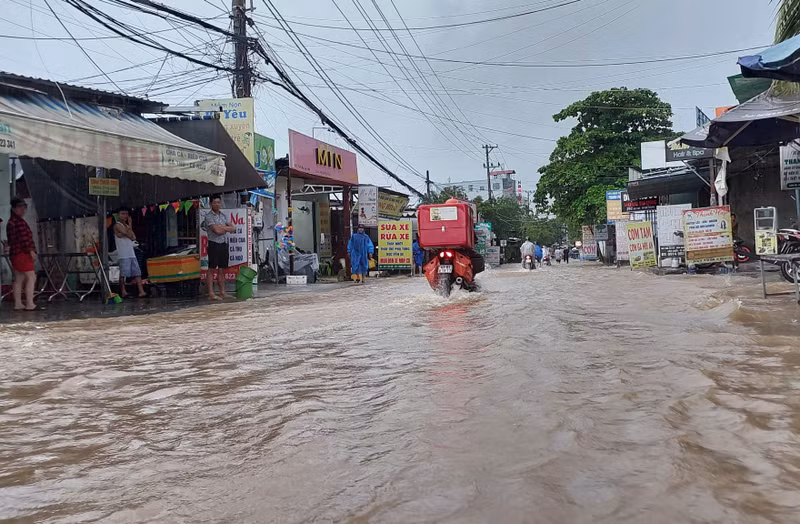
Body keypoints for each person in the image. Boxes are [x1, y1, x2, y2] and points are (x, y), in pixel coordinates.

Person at [201, 196, 235, 300]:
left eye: (219, 202)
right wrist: (225, 228)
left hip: (223, 243)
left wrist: (222, 227)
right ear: (211, 204)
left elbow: (233, 228)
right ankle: (211, 293)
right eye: (215, 203)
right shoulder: (209, 217)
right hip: (214, 244)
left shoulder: (224, 215)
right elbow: (217, 231)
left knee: (222, 269)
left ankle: (222, 292)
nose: (217, 204)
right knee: (211, 269)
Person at [7, 197, 37, 311]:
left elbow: (11, 240)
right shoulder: (19, 222)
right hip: (22, 253)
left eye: (24, 208)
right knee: (31, 277)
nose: (23, 210)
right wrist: (31, 251)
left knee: (19, 278)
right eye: (20, 208)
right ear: (14, 209)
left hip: (14, 253)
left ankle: (18, 303)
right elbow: (24, 239)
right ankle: (30, 303)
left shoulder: (11, 222)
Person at [114, 209, 147, 298]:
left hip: (131, 253)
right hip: (123, 254)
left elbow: (133, 237)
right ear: (118, 215)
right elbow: (127, 234)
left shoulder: (127, 226)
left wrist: (129, 227)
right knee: (123, 274)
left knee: (137, 272)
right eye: (122, 214)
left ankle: (141, 291)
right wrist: (128, 231)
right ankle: (123, 291)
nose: (124, 216)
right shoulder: (117, 225)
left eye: (126, 214)